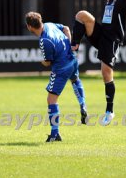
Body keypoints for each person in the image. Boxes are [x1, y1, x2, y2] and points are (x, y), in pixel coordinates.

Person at [71, 0, 126, 126]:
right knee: (82, 15)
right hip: (102, 34)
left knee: (105, 73)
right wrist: (110, 0)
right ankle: (74, 45)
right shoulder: (112, 0)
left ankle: (110, 111)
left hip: (112, 40)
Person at [26, 12, 87, 142]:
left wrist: (42, 62)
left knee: (51, 100)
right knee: (75, 80)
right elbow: (66, 28)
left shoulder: (44, 40)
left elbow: (48, 62)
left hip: (61, 68)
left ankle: (55, 134)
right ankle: (83, 105)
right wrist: (70, 45)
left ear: (29, 27)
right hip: (72, 59)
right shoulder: (49, 25)